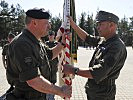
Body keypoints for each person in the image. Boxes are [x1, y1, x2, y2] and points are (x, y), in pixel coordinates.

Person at [6, 8, 71, 100]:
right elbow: (33, 80)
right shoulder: (22, 44)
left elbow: (50, 55)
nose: (49, 26)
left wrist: (62, 44)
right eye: (46, 23)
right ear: (34, 23)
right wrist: (60, 91)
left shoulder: (35, 41)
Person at [63, 11, 127, 100]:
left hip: (103, 94)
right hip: (95, 91)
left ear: (111, 25)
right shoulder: (104, 40)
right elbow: (87, 37)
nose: (98, 28)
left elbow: (99, 72)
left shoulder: (116, 46)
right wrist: (73, 25)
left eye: (100, 24)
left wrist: (73, 70)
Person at [45, 31, 59, 100]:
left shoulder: (56, 44)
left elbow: (61, 54)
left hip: (54, 66)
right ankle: (47, 96)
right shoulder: (45, 44)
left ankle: (51, 97)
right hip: (46, 66)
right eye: (49, 35)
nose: (50, 36)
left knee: (53, 81)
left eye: (52, 35)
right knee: (47, 81)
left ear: (54, 36)